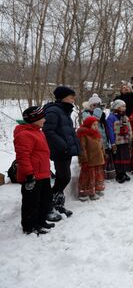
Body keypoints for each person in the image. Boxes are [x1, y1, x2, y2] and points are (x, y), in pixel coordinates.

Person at [14, 106, 54, 235]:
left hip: (43, 173)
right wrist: (29, 174)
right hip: (32, 175)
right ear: (34, 119)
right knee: (31, 202)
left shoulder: (38, 131)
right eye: (42, 117)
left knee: (44, 200)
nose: (44, 119)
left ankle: (40, 221)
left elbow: (41, 154)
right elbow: (22, 156)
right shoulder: (24, 134)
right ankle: (30, 226)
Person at [43, 86, 80, 220]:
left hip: (66, 150)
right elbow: (48, 131)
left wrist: (75, 145)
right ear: (63, 98)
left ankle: (58, 203)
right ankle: (49, 204)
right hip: (60, 151)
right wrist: (64, 146)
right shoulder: (54, 111)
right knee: (64, 177)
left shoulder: (64, 111)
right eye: (71, 97)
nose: (73, 100)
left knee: (62, 177)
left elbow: (67, 131)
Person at [83, 94, 115, 180]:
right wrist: (98, 111)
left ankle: (103, 175)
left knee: (104, 158)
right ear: (90, 105)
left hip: (103, 140)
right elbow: (92, 121)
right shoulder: (86, 113)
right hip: (93, 141)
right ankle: (96, 177)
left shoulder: (101, 114)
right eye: (94, 105)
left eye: (98, 105)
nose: (96, 107)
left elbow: (105, 128)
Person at [76, 116, 105, 201]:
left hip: (97, 159)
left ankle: (95, 189)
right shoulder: (84, 135)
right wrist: (83, 160)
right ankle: (85, 192)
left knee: (96, 176)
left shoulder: (96, 134)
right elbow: (82, 148)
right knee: (88, 177)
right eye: (94, 125)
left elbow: (100, 146)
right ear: (88, 125)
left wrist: (103, 153)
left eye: (97, 124)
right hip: (89, 160)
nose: (96, 126)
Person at [106, 100, 132, 184]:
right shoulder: (111, 117)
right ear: (117, 107)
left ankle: (124, 172)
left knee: (125, 156)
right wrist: (112, 142)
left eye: (125, 106)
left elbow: (129, 128)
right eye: (123, 106)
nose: (125, 108)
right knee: (118, 157)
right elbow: (110, 130)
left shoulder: (124, 117)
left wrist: (130, 137)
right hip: (117, 142)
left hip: (125, 141)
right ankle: (119, 173)